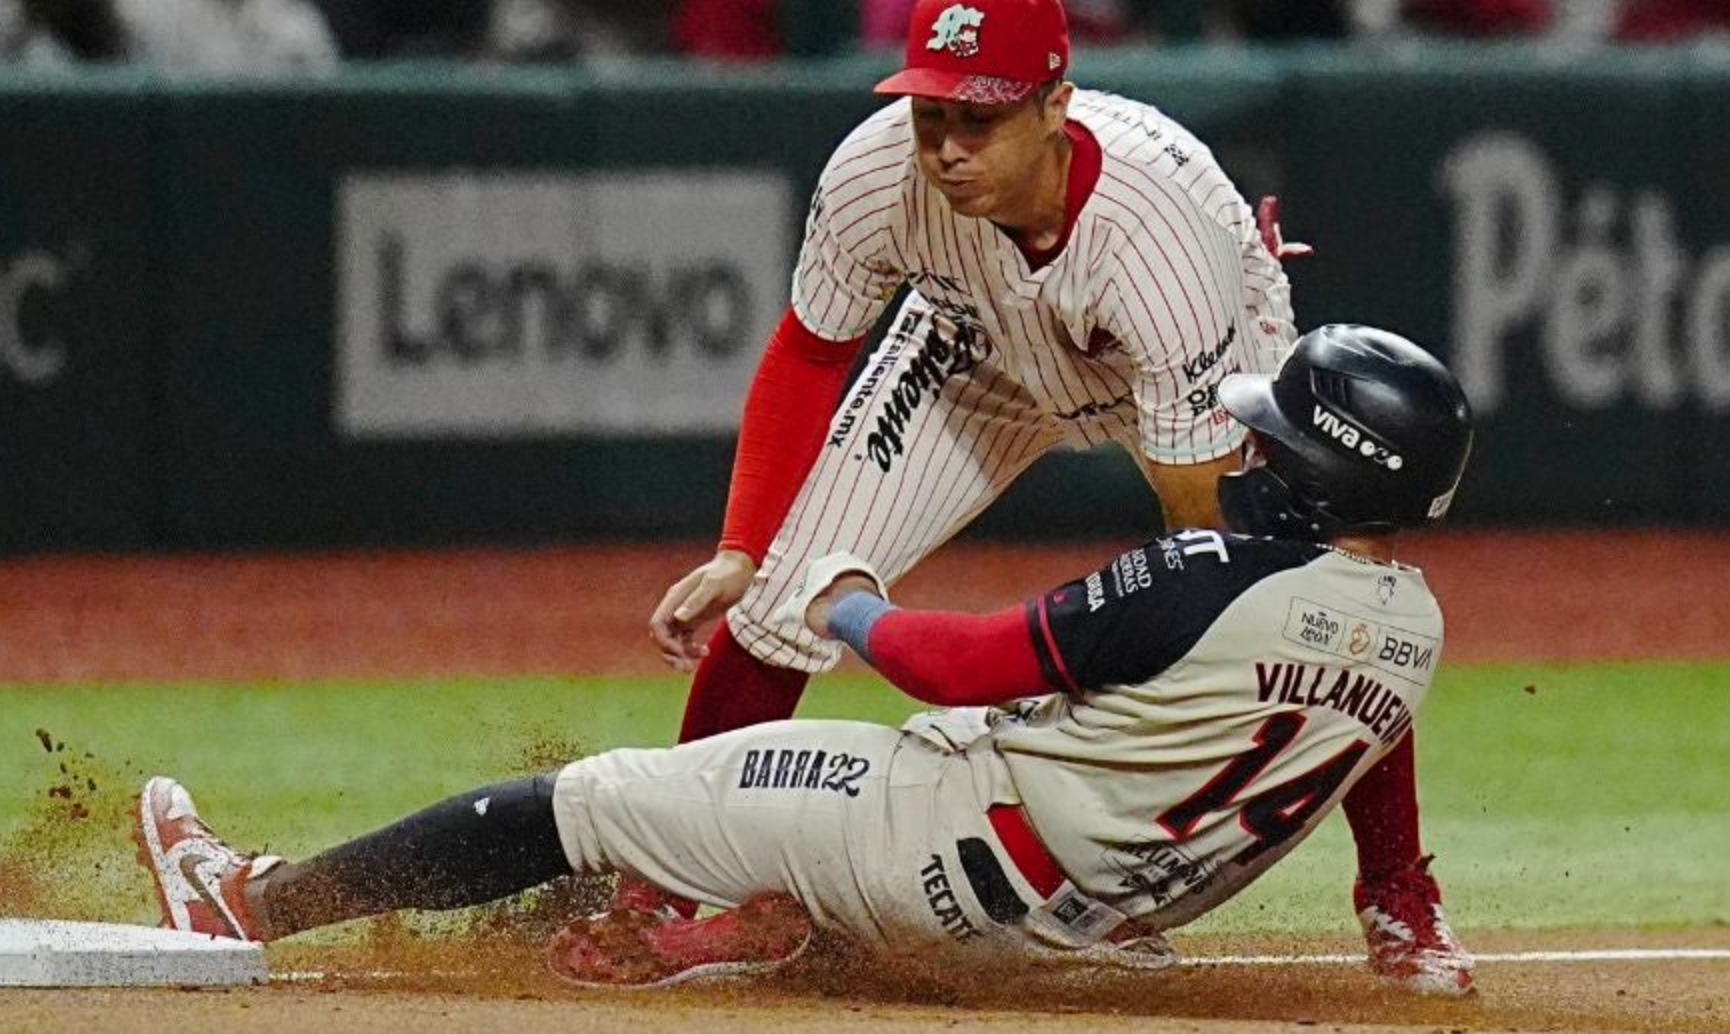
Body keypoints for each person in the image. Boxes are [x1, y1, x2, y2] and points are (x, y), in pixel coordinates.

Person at [135, 325, 1476, 996]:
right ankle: (747, 930)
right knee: (887, 801)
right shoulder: (1410, 627)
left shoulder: (1203, 582)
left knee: (590, 796)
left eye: (1267, 436)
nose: (1240, 448)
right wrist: (1397, 890)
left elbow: (957, 663)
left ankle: (253, 900)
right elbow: (1329, 706)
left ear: (1306, 471)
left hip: (939, 845)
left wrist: (841, 602)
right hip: (1084, 930)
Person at [631, 0, 1467, 996]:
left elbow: (1218, 580)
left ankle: (1396, 893)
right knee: (772, 604)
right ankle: (660, 885)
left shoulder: (1155, 245)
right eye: (928, 114)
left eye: (976, 119)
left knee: (1309, 609)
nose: (945, 146)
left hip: (1178, 356)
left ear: (1053, 106)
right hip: (973, 347)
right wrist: (740, 543)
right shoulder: (875, 174)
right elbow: (812, 348)